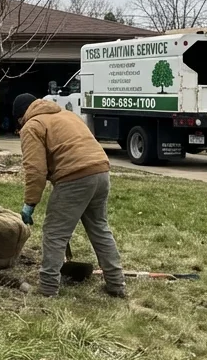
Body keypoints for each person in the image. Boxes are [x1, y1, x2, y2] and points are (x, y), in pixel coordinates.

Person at [12, 93, 126, 298]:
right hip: (101, 171)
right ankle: (116, 284)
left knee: (54, 232)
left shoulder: (32, 126)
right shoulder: (67, 115)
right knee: (99, 228)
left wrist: (30, 202)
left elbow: (35, 170)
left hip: (75, 176)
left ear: (21, 116)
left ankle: (47, 289)